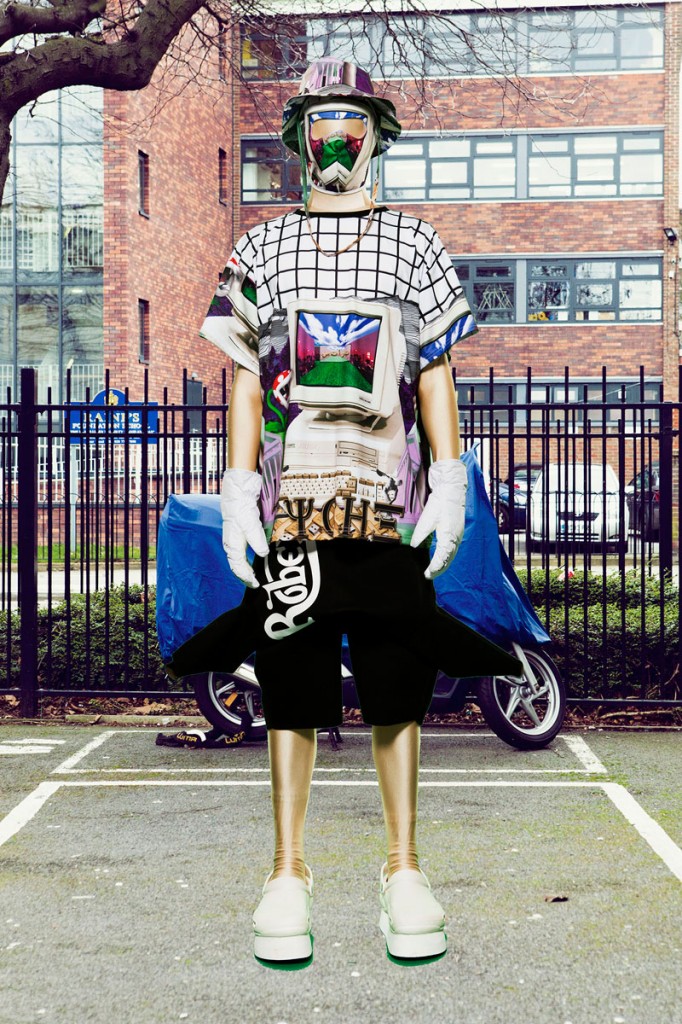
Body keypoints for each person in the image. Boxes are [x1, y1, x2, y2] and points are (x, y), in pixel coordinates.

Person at [169, 58, 522, 964]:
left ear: (376, 135)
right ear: (297, 137)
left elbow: (435, 370)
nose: (334, 140)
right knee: (290, 675)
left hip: (388, 500)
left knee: (397, 675)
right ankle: (287, 871)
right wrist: (238, 490)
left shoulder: (416, 244)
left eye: (349, 122)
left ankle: (404, 867)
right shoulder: (259, 249)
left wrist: (450, 478)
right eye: (319, 123)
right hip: (292, 501)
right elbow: (244, 378)